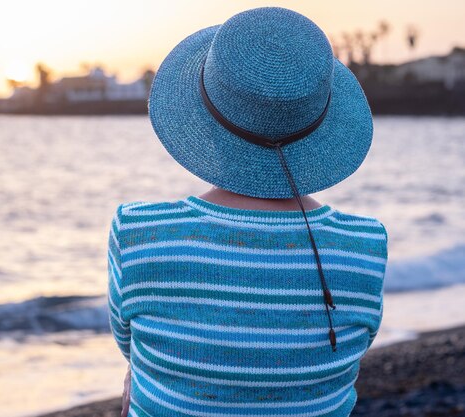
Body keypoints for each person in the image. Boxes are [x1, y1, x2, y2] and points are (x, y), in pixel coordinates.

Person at [107, 6, 388, 417]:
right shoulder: (365, 245)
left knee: (133, 384)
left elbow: (130, 346)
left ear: (206, 119)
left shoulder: (138, 232)